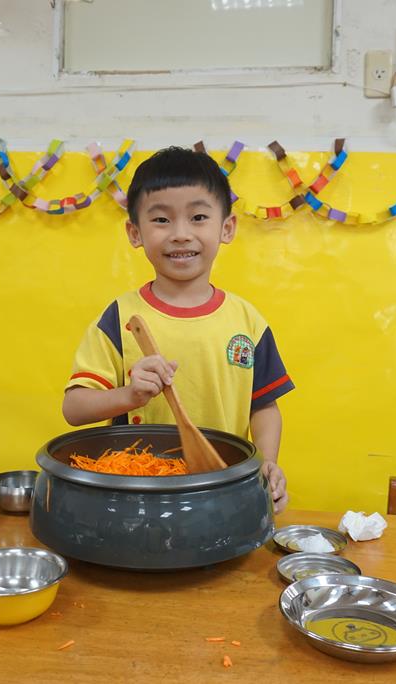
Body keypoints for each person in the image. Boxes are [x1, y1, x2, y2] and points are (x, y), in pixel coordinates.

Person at [62, 146, 294, 513]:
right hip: (135, 497)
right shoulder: (120, 318)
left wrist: (267, 462)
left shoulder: (248, 322)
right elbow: (74, 409)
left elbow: (263, 405)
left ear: (227, 228)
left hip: (222, 492)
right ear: (135, 233)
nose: (181, 234)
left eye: (198, 217)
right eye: (161, 220)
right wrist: (130, 395)